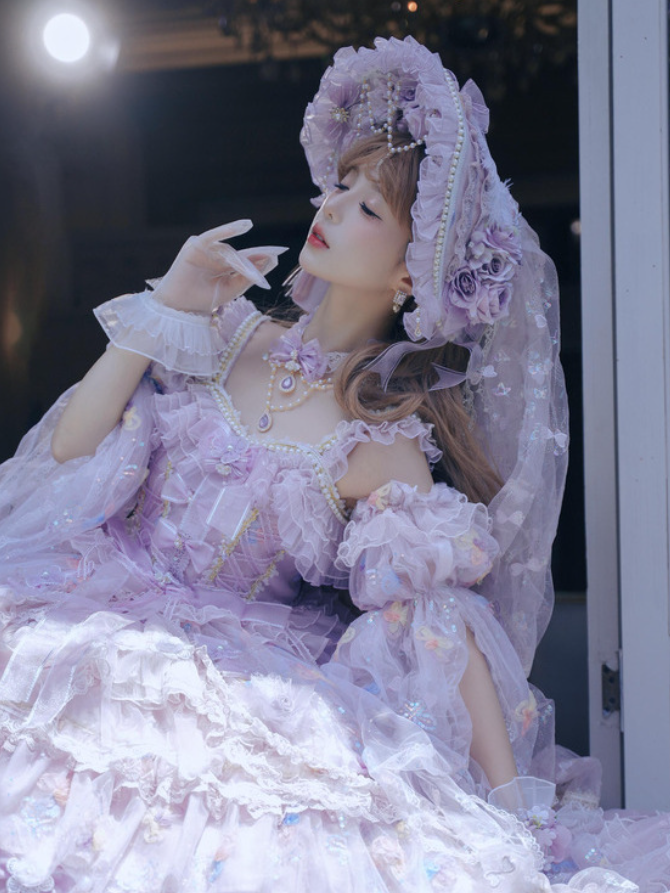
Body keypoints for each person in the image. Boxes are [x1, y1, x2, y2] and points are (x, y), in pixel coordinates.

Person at [0, 35, 667, 893]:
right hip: (87, 613)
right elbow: (69, 450)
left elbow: (444, 625)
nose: (335, 206)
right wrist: (166, 305)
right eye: (341, 185)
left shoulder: (378, 441)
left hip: (231, 688)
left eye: (368, 206)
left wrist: (518, 813)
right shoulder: (220, 328)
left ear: (410, 271)